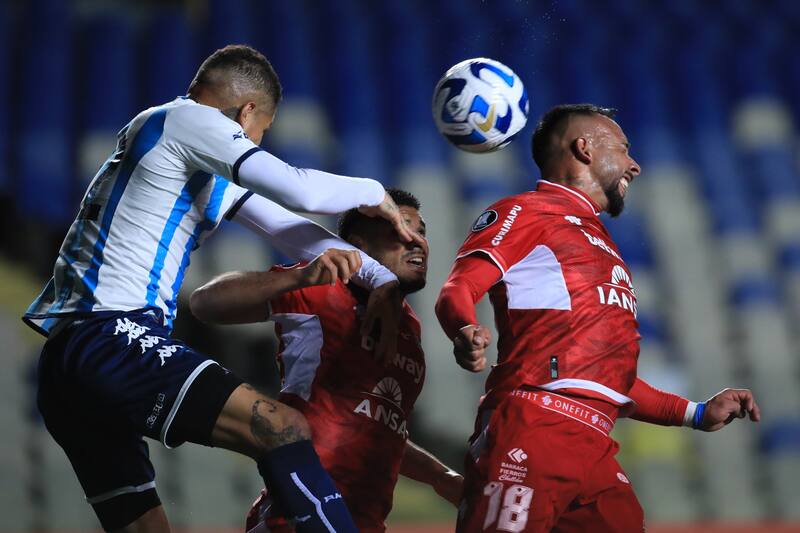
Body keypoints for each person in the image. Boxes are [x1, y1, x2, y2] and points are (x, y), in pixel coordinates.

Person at [24, 44, 423, 533]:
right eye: (259, 134)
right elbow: (299, 190)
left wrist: (380, 280)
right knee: (282, 428)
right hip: (112, 334)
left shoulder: (182, 152)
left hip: (70, 357)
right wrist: (374, 192)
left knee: (142, 524)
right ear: (246, 111)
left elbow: (289, 228)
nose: (253, 142)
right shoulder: (188, 120)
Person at [435, 104, 761, 532]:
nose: (635, 164)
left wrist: (695, 413)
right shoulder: (528, 211)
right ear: (584, 148)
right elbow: (457, 288)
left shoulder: (599, 239)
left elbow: (607, 378)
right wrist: (462, 327)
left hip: (594, 444)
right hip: (535, 424)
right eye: (624, 149)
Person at [189, 189, 463, 533]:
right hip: (294, 520)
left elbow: (377, 429)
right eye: (400, 233)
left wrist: (441, 477)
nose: (418, 242)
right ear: (359, 247)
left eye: (421, 232)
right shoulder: (325, 287)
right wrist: (297, 276)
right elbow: (205, 304)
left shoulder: (408, 325)